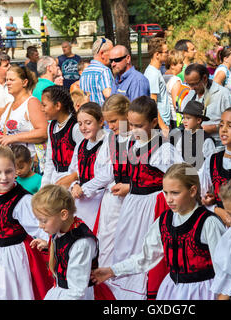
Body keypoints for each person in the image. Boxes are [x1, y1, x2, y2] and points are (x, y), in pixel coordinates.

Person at [92, 163, 226, 300]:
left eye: (175, 193)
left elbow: (224, 270)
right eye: (166, 192)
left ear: (192, 191)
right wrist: (111, 271)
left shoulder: (209, 223)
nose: (168, 199)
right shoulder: (164, 220)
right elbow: (145, 258)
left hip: (202, 292)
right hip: (172, 290)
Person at [110, 96, 183, 300]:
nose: (133, 129)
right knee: (126, 245)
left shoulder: (163, 148)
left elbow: (180, 176)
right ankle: (124, 293)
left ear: (153, 122)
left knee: (146, 247)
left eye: (139, 125)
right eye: (130, 124)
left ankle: (144, 293)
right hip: (133, 203)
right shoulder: (134, 144)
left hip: (152, 205)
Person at [0, 146, 52, 300]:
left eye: (8, 171)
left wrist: (47, 240)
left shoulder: (23, 200)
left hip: (14, 256)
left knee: (11, 292)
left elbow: (39, 226)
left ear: (15, 170)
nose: (4, 177)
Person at [31, 184, 98, 300]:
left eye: (43, 221)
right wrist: (49, 245)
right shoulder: (62, 228)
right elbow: (66, 247)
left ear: (63, 214)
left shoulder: (81, 243)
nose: (40, 226)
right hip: (60, 290)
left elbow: (77, 290)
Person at [0, 64, 48, 171]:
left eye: (12, 80)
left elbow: (43, 132)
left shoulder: (31, 102)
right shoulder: (9, 105)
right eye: (6, 80)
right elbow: (0, 130)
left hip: (29, 165)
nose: (7, 83)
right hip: (12, 164)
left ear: (24, 82)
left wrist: (13, 138)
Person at [96, 94, 131, 268]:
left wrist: (130, 187)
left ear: (127, 115)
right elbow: (101, 168)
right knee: (107, 239)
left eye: (114, 121)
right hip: (112, 198)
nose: (110, 126)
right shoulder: (110, 139)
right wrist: (110, 184)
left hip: (133, 198)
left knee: (129, 241)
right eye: (107, 122)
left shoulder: (138, 138)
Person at [67, 103, 108, 231]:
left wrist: (84, 189)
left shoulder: (108, 142)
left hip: (100, 198)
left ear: (101, 121)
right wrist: (75, 185)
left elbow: (107, 174)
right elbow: (73, 170)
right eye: (80, 124)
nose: (83, 128)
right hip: (81, 198)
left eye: (88, 123)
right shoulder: (80, 145)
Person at [182, 63, 231, 147]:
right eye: (189, 84)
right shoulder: (190, 94)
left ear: (204, 78)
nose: (191, 88)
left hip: (217, 144)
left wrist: (214, 128)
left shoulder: (222, 94)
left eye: (194, 84)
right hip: (193, 144)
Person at [40, 85, 83, 188]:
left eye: (44, 105)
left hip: (73, 180)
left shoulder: (76, 127)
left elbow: (84, 158)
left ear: (58, 105)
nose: (42, 109)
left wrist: (74, 178)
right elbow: (50, 158)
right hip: (56, 178)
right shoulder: (51, 126)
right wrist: (44, 186)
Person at [173, 100, 216, 169]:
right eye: (183, 118)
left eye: (188, 118)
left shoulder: (207, 141)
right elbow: (177, 158)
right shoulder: (182, 137)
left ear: (198, 120)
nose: (184, 121)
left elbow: (210, 165)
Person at [144, 37, 172, 134]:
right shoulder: (153, 74)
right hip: (160, 124)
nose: (168, 54)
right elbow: (153, 102)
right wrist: (162, 125)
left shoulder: (156, 71)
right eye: (166, 52)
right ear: (157, 55)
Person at [79, 37, 114, 105]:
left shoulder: (85, 72)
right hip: (101, 113)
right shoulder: (104, 71)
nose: (112, 56)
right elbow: (108, 94)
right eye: (111, 53)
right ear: (102, 54)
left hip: (88, 113)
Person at [163, 49, 184, 121]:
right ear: (172, 65)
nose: (182, 65)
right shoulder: (176, 80)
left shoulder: (163, 77)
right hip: (175, 118)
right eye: (180, 63)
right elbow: (177, 104)